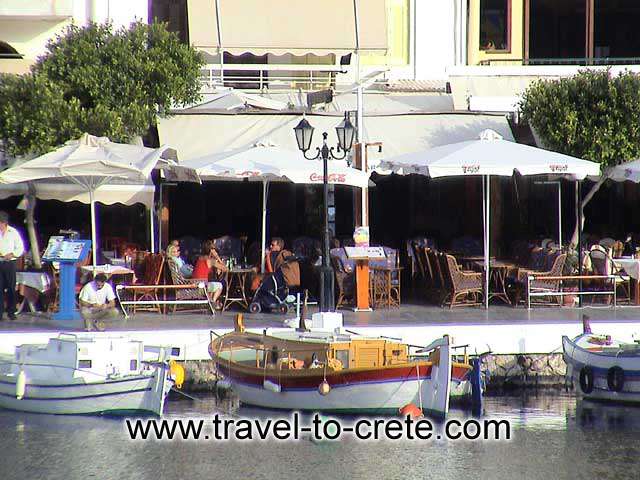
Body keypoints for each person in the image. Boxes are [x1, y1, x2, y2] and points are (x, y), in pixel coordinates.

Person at [0, 211, 25, 321]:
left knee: (10, 287)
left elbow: (20, 248)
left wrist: (12, 254)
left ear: (4, 223)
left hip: (10, 263)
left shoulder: (13, 232)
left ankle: (11, 311)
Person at [192, 240, 226, 305]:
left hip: (195, 284)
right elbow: (225, 268)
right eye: (214, 249)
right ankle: (212, 302)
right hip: (202, 287)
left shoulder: (199, 258)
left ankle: (210, 302)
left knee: (212, 283)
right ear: (211, 251)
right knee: (219, 285)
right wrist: (217, 257)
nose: (215, 251)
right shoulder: (210, 260)